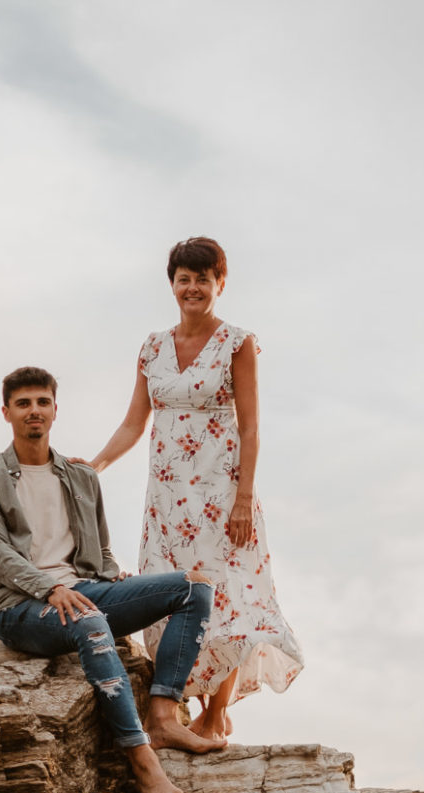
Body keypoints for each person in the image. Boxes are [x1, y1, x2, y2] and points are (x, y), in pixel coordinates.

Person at [0, 367, 224, 793]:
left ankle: (163, 717)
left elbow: (98, 550)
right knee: (90, 620)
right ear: (6, 413)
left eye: (42, 402)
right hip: (20, 606)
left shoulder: (81, 477)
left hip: (85, 592)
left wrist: (110, 576)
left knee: (194, 587)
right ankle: (143, 760)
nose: (34, 411)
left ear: (55, 410)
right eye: (23, 403)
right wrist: (50, 588)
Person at [87, 237, 303, 742]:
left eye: (203, 279)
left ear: (219, 284)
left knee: (225, 598)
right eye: (184, 279)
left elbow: (250, 427)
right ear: (172, 285)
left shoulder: (237, 342)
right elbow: (133, 423)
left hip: (221, 493)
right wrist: (93, 465)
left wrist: (244, 498)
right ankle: (189, 706)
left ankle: (216, 711)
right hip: (167, 499)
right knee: (171, 593)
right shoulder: (152, 346)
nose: (193, 288)